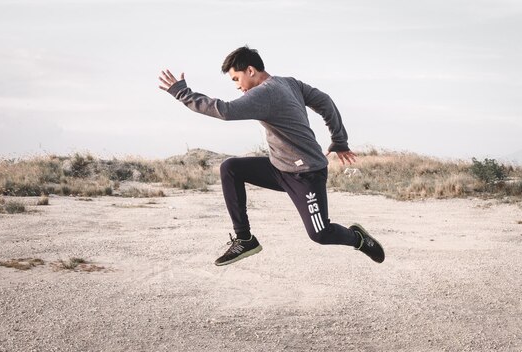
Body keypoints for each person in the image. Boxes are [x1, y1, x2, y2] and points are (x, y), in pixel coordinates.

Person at [158, 46, 384, 266]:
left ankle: (358, 238)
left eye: (236, 79)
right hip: (279, 168)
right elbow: (324, 100)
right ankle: (244, 238)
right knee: (230, 168)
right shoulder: (289, 83)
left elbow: (224, 110)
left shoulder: (265, 93)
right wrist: (339, 140)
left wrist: (181, 93)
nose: (237, 86)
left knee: (321, 234)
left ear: (250, 70)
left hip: (306, 174)